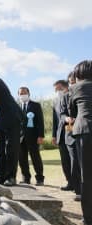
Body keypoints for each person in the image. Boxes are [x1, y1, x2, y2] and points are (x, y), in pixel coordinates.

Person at [69, 60, 92, 225]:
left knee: (87, 176)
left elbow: (72, 112)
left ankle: (88, 218)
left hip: (84, 131)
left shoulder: (76, 88)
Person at [60, 73, 81, 201]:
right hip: (71, 134)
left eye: (74, 81)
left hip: (85, 132)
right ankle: (78, 190)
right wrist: (66, 118)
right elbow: (62, 114)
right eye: (70, 82)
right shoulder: (65, 97)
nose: (72, 84)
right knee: (75, 162)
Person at [18, 87, 45, 185]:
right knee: (22, 159)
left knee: (35, 157)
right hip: (20, 138)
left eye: (24, 93)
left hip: (33, 137)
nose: (22, 95)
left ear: (29, 93)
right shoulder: (17, 106)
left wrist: (41, 135)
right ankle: (26, 178)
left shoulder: (35, 105)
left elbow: (40, 121)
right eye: (21, 93)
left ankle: (40, 178)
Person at [53, 80, 74, 190]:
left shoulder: (72, 96)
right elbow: (55, 120)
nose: (56, 91)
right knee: (65, 161)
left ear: (64, 87)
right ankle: (69, 182)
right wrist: (54, 135)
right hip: (60, 135)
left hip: (71, 134)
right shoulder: (56, 101)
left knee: (73, 160)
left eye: (57, 89)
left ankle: (77, 183)